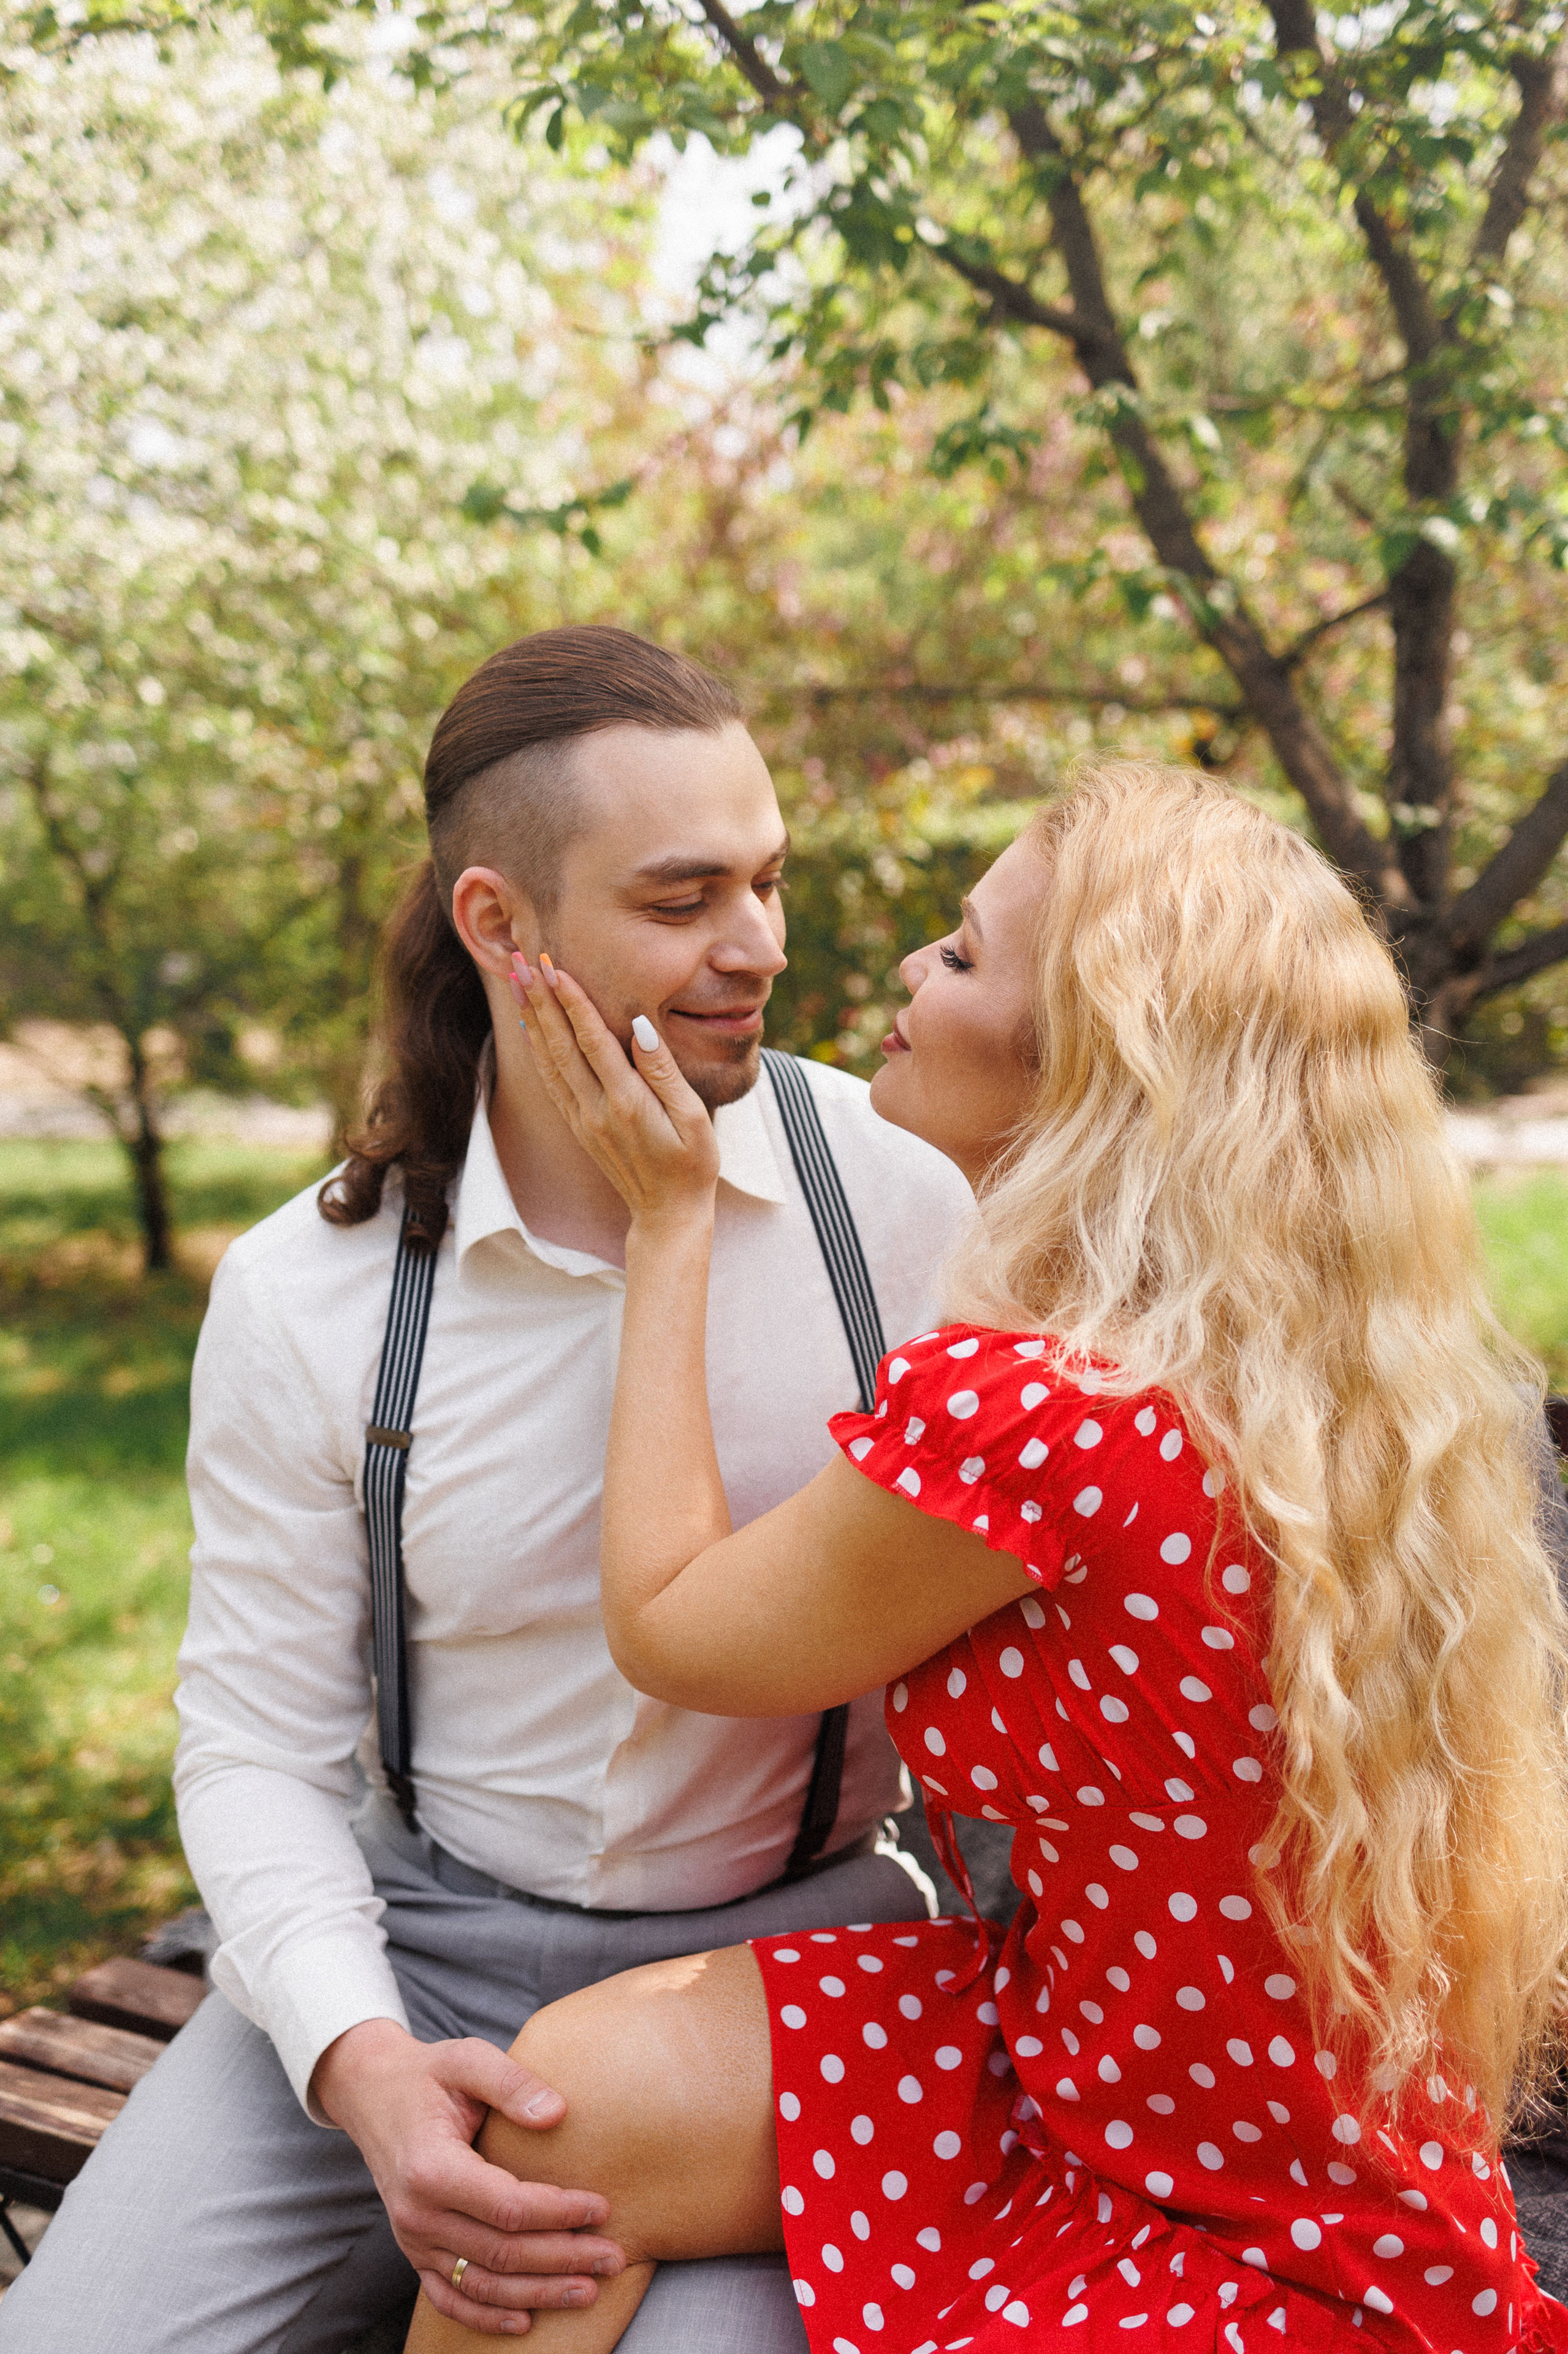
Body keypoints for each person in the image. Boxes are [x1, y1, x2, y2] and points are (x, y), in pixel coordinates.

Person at [403, 762, 1568, 2354]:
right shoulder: (1321, 1368)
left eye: (955, 955)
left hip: (1214, 2196)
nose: (893, 972)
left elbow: (677, 1629)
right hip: (1171, 2063)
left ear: (1094, 1056)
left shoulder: (1039, 1414)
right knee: (554, 2119)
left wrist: (666, 1222)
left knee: (540, 2141)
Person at [0, 627, 976, 2354]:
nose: (758, 948)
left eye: (767, 882)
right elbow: (253, 1744)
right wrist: (361, 2063)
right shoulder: (310, 1296)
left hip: (798, 1956)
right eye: (682, 903)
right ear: (500, 923)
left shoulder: (900, 1213)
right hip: (419, 1935)